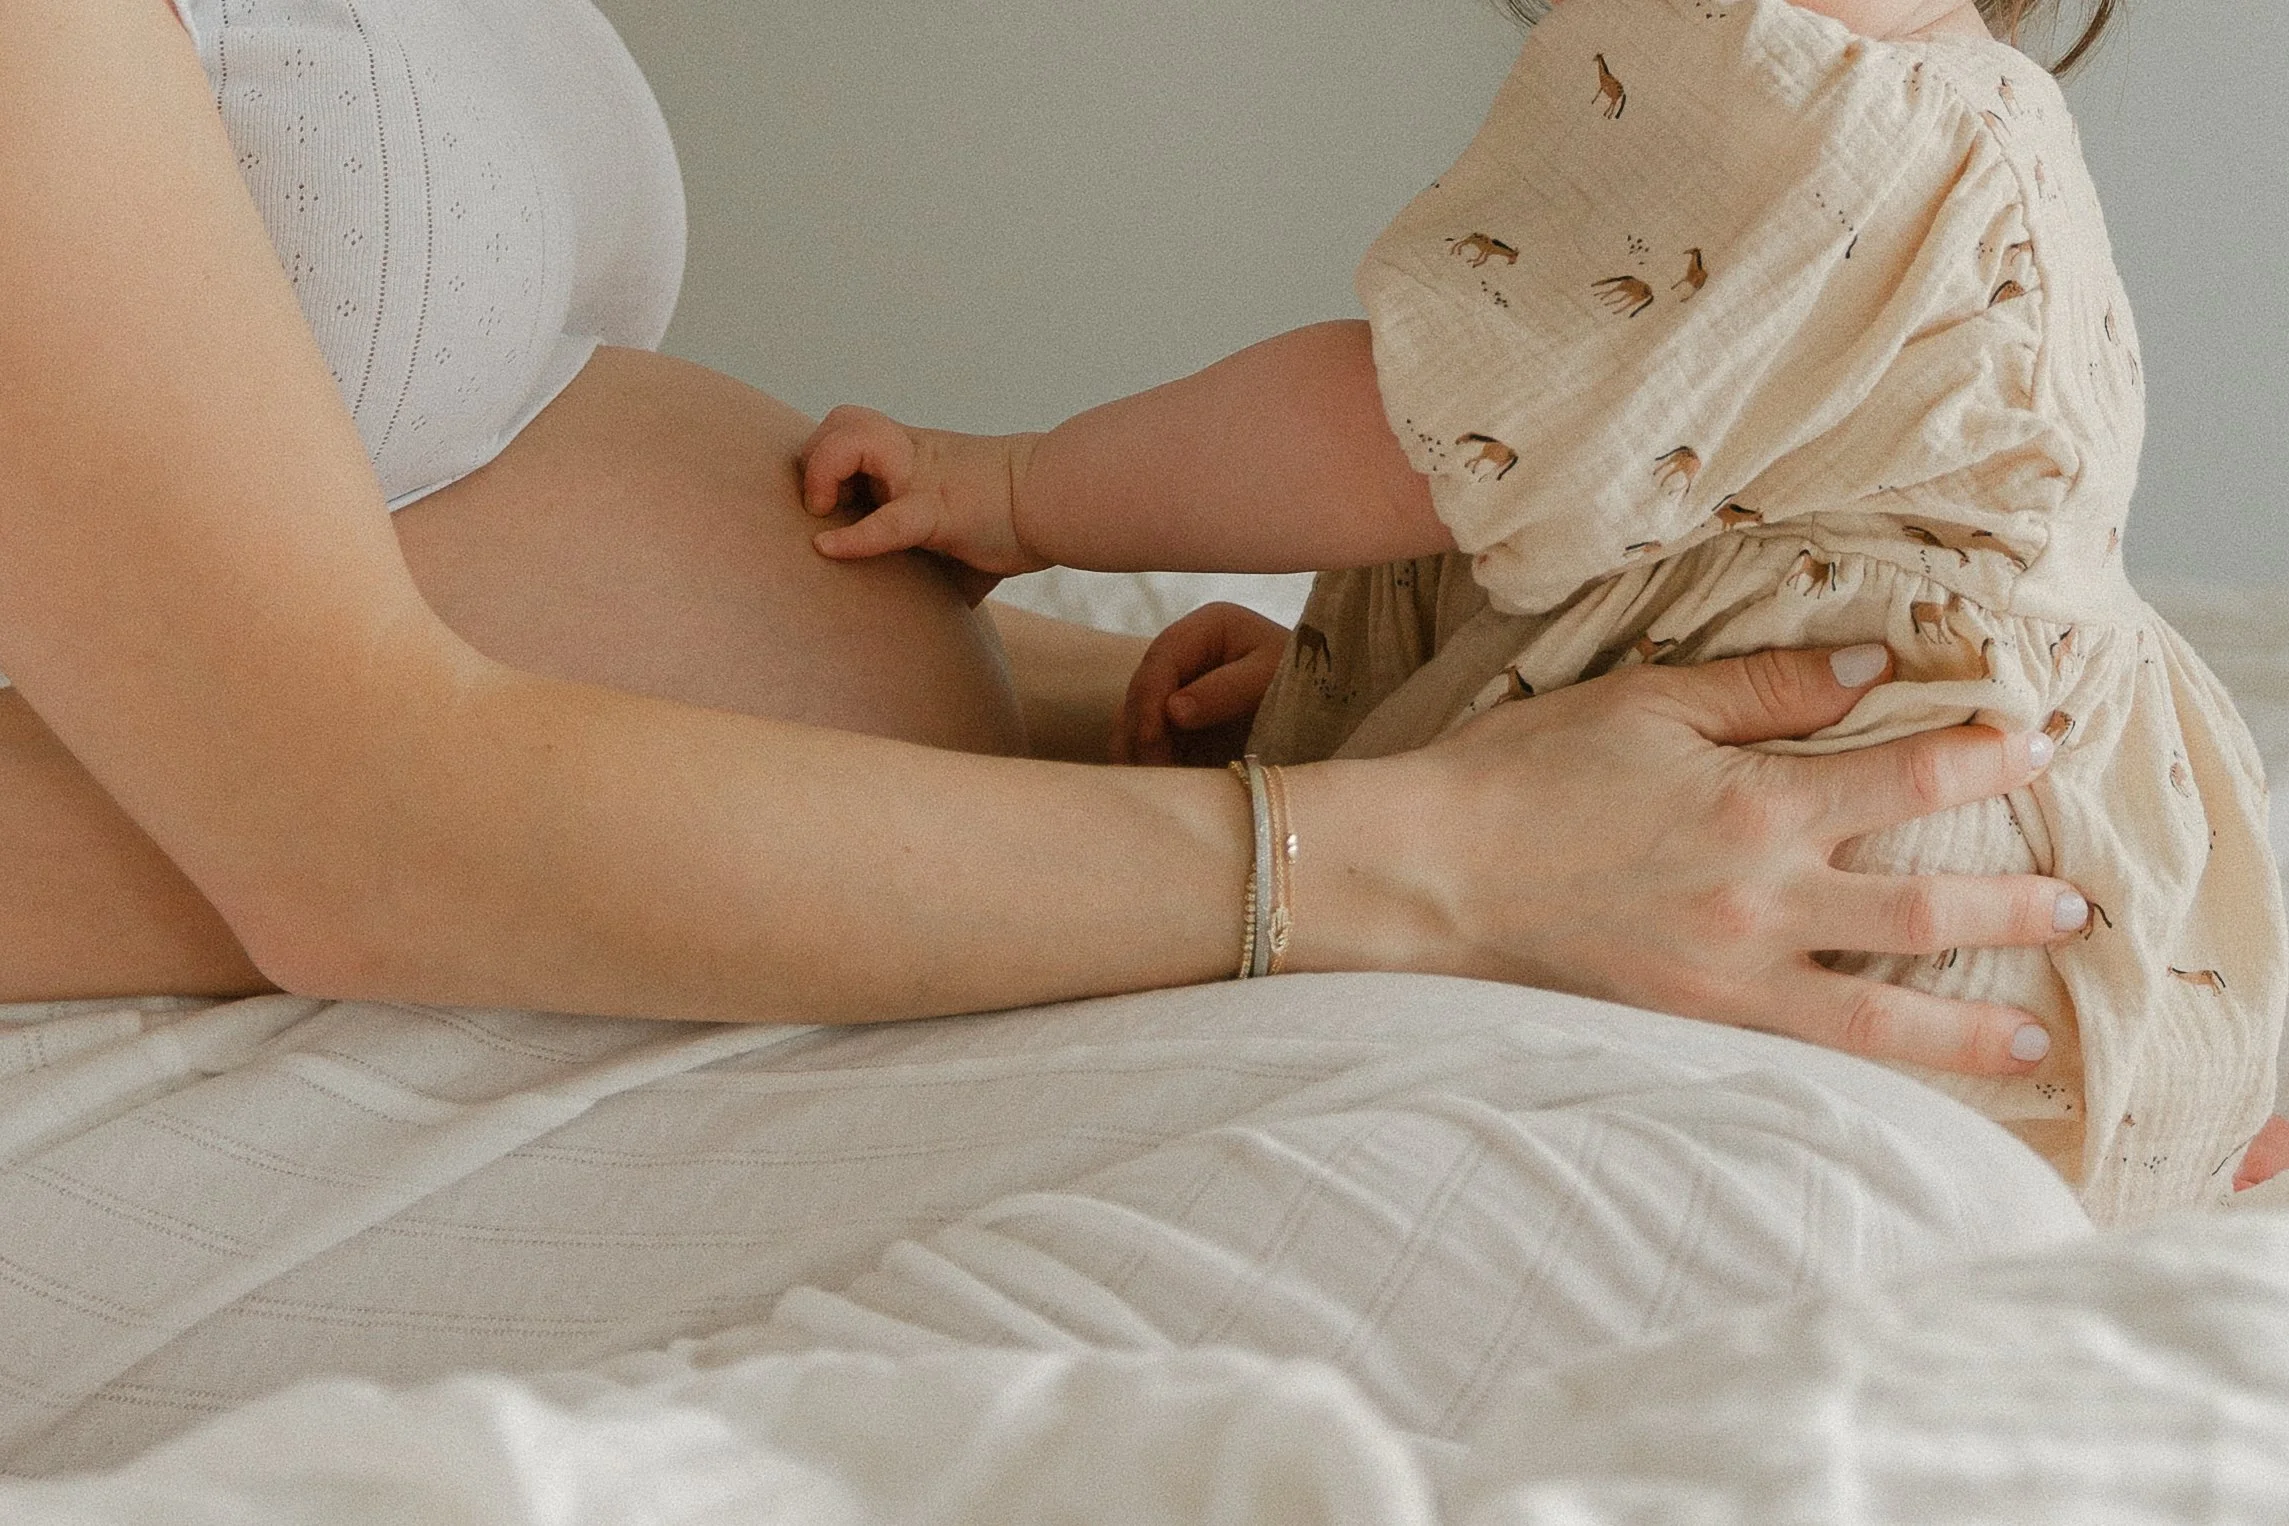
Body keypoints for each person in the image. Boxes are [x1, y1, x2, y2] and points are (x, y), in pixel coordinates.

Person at [0, 0, 2145, 1472]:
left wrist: (1202, 722)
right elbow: (342, 819)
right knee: (1802, 1222)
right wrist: (1423, 855)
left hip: (518, 898)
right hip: (205, 1007)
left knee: (1857, 1189)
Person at [797, 0, 2288, 1224]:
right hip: (1939, 807)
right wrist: (1372, 680)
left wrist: (1021, 491)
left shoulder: (1829, 111)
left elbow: (1409, 432)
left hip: (1848, 880)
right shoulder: (1941, 97)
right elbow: (1654, 523)